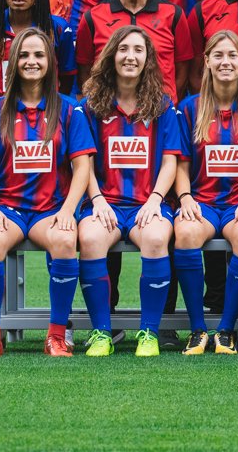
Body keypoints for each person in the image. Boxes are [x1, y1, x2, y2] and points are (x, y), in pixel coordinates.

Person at [0, 30, 93, 358]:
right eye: (24, 56)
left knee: (66, 240)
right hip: (7, 206)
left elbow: (82, 167)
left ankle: (55, 336)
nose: (31, 62)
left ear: (50, 63)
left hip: (51, 208)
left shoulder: (69, 109)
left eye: (38, 55)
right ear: (13, 64)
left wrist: (68, 211)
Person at [76, 27, 183, 357]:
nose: (130, 56)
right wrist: (96, 199)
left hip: (146, 203)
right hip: (103, 202)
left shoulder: (162, 106)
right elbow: (84, 162)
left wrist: (154, 200)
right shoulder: (92, 106)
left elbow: (170, 163)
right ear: (112, 55)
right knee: (91, 238)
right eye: (124, 49)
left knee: (155, 238)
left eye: (139, 50)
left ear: (148, 59)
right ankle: (101, 333)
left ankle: (149, 332)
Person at [173, 31, 238, 355]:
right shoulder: (189, 109)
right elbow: (180, 163)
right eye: (218, 55)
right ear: (207, 62)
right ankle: (197, 329)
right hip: (201, 202)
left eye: (232, 55)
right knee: (186, 233)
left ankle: (226, 330)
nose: (225, 62)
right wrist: (186, 198)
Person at [75, 0, 194, 104]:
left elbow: (182, 74)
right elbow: (85, 74)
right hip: (108, 119)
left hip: (160, 119)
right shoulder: (92, 18)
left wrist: (165, 105)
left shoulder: (174, 15)